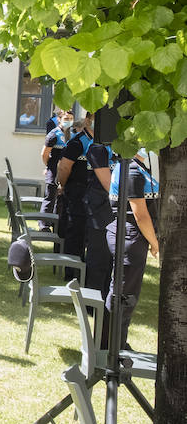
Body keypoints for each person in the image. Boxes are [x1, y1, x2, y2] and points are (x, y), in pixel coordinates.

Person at [106, 149, 159, 350]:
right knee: (124, 293)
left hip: (132, 236)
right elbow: (141, 215)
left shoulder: (135, 167)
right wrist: (155, 243)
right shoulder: (132, 170)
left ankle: (118, 343)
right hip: (131, 236)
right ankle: (114, 347)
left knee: (126, 292)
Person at [57, 112, 96, 279]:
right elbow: (64, 167)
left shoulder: (105, 142)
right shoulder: (78, 142)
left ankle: (89, 270)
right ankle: (71, 273)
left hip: (96, 194)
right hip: (78, 193)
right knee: (76, 233)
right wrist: (64, 185)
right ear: (88, 120)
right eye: (95, 118)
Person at [83, 134, 114, 299]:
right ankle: (92, 300)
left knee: (111, 260)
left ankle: (107, 299)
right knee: (98, 258)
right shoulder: (97, 148)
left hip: (114, 209)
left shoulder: (123, 148)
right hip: (99, 209)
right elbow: (108, 184)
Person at [41, 109, 74, 222]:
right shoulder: (54, 134)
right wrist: (50, 166)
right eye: (66, 119)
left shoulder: (73, 134)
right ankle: (44, 225)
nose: (68, 121)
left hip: (66, 173)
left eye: (70, 119)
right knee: (50, 198)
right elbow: (44, 154)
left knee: (61, 200)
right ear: (59, 119)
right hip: (54, 170)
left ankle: (56, 223)